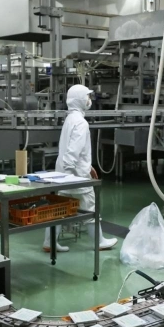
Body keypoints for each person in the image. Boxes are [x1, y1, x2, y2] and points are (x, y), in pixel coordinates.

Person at [43, 84, 119, 253]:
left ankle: (49, 242)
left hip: (64, 174)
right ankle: (99, 242)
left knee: (58, 209)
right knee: (90, 209)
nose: (89, 100)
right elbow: (73, 152)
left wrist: (86, 166)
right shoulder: (81, 123)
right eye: (87, 97)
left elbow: (74, 150)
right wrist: (70, 177)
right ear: (79, 99)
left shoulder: (70, 119)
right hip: (75, 177)